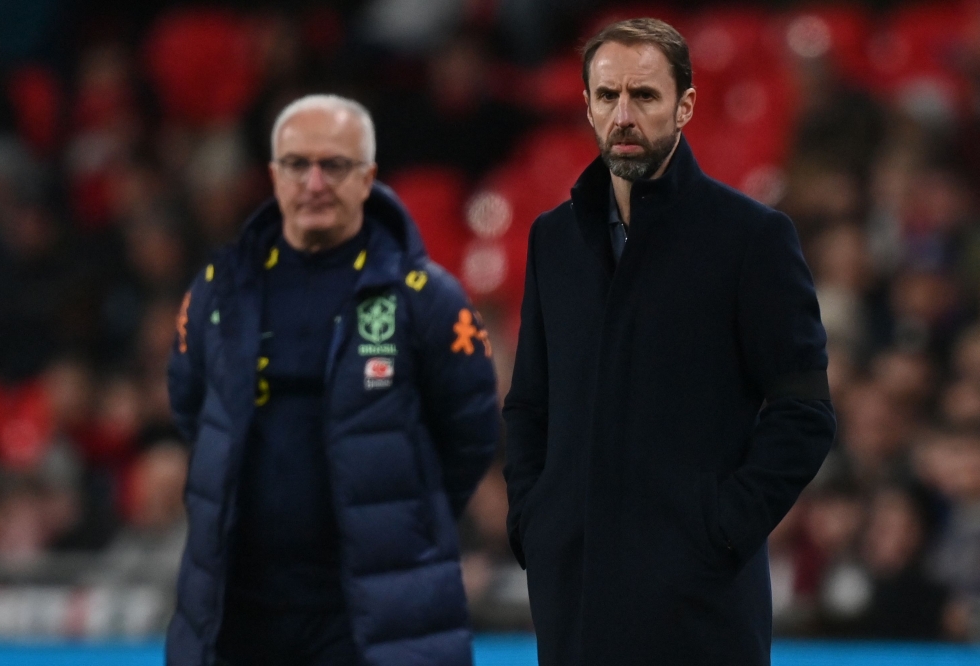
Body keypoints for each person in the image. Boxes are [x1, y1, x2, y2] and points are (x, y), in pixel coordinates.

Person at [502, 18, 837, 666]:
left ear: (684, 106)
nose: (623, 114)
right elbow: (530, 403)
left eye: (645, 96)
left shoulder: (751, 238)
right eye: (607, 96)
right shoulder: (553, 240)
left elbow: (805, 412)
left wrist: (718, 530)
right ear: (587, 104)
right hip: (572, 601)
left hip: (701, 614)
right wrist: (536, 523)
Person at [165, 94, 499, 666]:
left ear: (368, 177)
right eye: (297, 164)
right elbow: (192, 406)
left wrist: (402, 514)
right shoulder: (219, 291)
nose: (314, 182)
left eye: (335, 165)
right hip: (237, 611)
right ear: (273, 176)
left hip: (373, 615)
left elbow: (469, 432)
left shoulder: (428, 298)